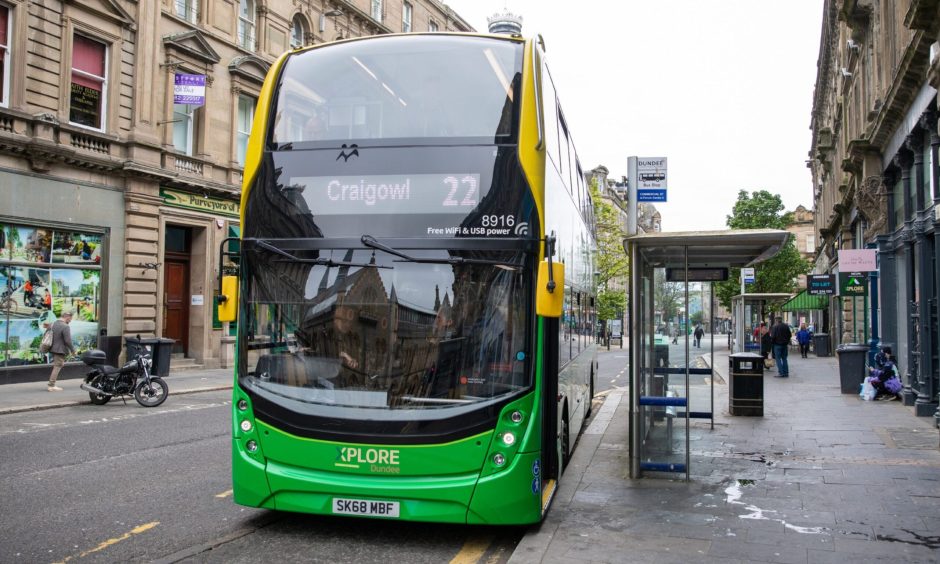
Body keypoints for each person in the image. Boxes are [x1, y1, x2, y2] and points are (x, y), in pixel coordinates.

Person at [47, 312, 75, 391]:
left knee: (57, 365)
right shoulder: (65, 326)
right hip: (60, 350)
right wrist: (73, 350)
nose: (70, 321)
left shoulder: (52, 324)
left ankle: (51, 384)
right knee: (57, 366)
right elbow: (68, 341)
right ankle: (51, 385)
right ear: (67, 317)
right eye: (70, 319)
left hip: (52, 348)